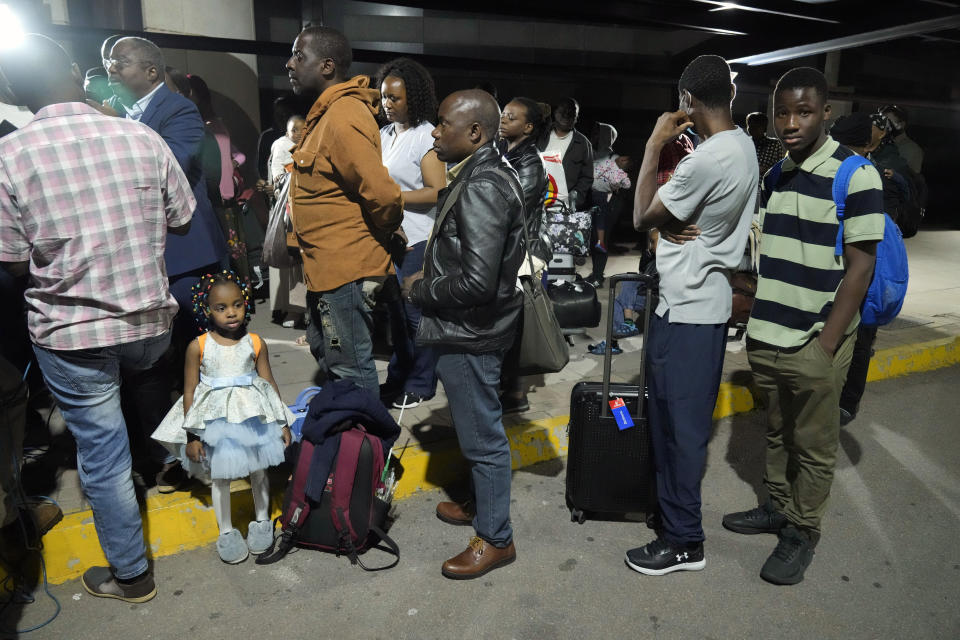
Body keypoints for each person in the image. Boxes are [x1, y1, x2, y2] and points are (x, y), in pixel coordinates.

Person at [0, 34, 197, 602]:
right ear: (74, 69)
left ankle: (131, 575)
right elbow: (182, 219)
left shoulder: (12, 156)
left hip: (73, 332)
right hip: (148, 324)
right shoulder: (139, 136)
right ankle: (168, 466)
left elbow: (11, 261)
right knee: (141, 386)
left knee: (102, 453)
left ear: (12, 89)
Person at [722, 67, 884, 585]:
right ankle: (776, 505)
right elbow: (770, 250)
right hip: (767, 333)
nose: (790, 123)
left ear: (825, 113)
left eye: (803, 112)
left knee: (813, 445)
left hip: (816, 338)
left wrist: (827, 342)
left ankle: (801, 530)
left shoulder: (855, 174)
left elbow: (861, 266)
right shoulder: (777, 174)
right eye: (782, 113)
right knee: (775, 430)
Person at [627, 55, 758, 576]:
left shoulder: (706, 159)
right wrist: (676, 219)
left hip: (689, 311)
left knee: (681, 431)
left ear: (686, 100)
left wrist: (652, 145)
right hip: (696, 305)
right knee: (674, 425)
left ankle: (684, 540)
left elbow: (640, 216)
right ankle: (672, 518)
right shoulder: (741, 144)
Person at [403, 89, 524, 579]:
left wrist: (420, 288)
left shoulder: (483, 184)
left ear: (475, 132)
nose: (434, 131)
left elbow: (476, 280)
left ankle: (497, 539)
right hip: (470, 328)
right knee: (477, 429)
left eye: (442, 123)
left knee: (483, 440)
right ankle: (481, 505)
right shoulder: (481, 173)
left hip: (469, 332)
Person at [107, 36, 228, 492]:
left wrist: (116, 130)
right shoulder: (123, 116)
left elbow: (173, 164)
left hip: (187, 256)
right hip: (143, 258)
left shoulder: (178, 110)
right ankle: (166, 453)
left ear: (152, 72)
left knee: (207, 352)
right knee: (154, 362)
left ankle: (220, 443)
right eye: (108, 64)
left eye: (120, 62)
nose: (112, 70)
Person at [285, 26, 403, 395]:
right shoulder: (327, 114)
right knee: (330, 356)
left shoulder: (342, 115)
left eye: (299, 56)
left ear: (327, 66)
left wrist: (384, 232)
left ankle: (366, 448)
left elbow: (382, 194)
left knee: (351, 372)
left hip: (345, 270)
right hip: (327, 268)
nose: (289, 64)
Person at [151, 271, 293, 564]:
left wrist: (281, 421)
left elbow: (268, 383)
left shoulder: (255, 342)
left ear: (246, 304)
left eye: (237, 304)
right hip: (217, 423)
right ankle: (226, 531)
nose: (231, 313)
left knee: (258, 470)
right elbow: (190, 391)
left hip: (253, 418)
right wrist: (192, 435)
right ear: (207, 310)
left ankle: (263, 520)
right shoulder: (198, 346)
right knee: (221, 477)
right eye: (221, 307)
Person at [376, 57, 445, 410]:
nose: (387, 104)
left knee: (417, 316)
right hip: (389, 239)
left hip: (418, 239)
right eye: (384, 96)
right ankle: (397, 377)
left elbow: (437, 190)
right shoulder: (384, 135)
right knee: (397, 317)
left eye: (395, 98)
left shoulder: (426, 136)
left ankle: (421, 383)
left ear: (413, 98)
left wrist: (392, 198)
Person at [498, 96, 552, 414]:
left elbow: (515, 205)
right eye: (503, 114)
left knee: (518, 323)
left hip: (525, 251)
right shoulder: (507, 152)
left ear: (528, 127)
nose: (503, 119)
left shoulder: (530, 161)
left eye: (512, 117)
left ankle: (517, 393)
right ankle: (508, 384)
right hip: (511, 248)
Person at [537, 97, 593, 210]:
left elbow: (587, 177)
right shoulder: (539, 135)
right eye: (563, 111)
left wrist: (576, 197)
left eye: (572, 113)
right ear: (555, 112)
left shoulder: (583, 144)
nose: (566, 115)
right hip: (535, 201)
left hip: (562, 206)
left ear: (577, 117)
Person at [880, 105, 923, 173]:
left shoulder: (912, 149)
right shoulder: (879, 142)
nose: (882, 125)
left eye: (888, 121)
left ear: (902, 124)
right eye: (881, 121)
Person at [746, 111, 784, 177]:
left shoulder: (774, 144)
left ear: (764, 127)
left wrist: (765, 169)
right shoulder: (744, 143)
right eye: (750, 125)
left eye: (756, 126)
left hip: (763, 184)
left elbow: (779, 167)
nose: (752, 128)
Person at [269, 115, 305, 183]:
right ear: (287, 133)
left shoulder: (307, 142)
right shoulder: (281, 144)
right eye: (294, 130)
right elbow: (276, 162)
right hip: (287, 177)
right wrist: (277, 174)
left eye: (303, 130)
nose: (299, 133)